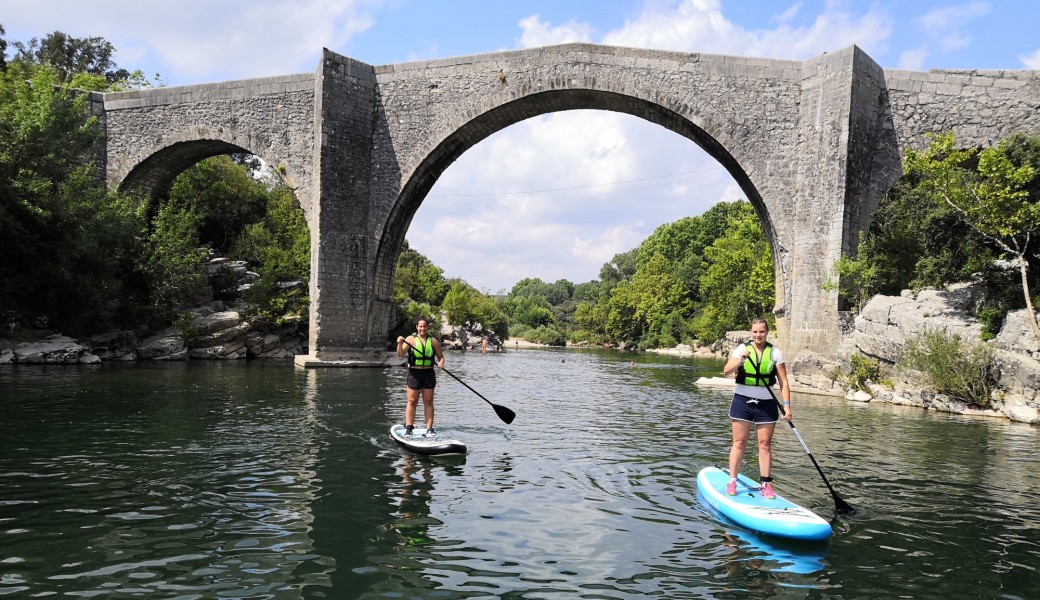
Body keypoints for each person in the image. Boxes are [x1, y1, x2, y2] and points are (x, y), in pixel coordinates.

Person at [721, 317, 792, 499]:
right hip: (742, 401)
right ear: (750, 332)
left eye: (762, 331)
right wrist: (741, 359)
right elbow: (726, 370)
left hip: (766, 404)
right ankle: (732, 482)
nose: (758, 335)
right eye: (755, 331)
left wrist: (787, 406)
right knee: (739, 443)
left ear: (767, 332)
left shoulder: (775, 352)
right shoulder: (742, 349)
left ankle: (765, 485)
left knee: (765, 445)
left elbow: (784, 382)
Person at [396, 317, 445, 436]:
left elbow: (441, 357)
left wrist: (440, 363)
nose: (423, 328)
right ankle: (409, 428)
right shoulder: (411, 339)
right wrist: (399, 343)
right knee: (412, 401)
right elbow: (400, 354)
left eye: (425, 326)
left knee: (428, 401)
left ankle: (429, 429)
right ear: (417, 327)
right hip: (414, 374)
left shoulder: (433, 341)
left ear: (427, 327)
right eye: (420, 326)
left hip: (428, 373)